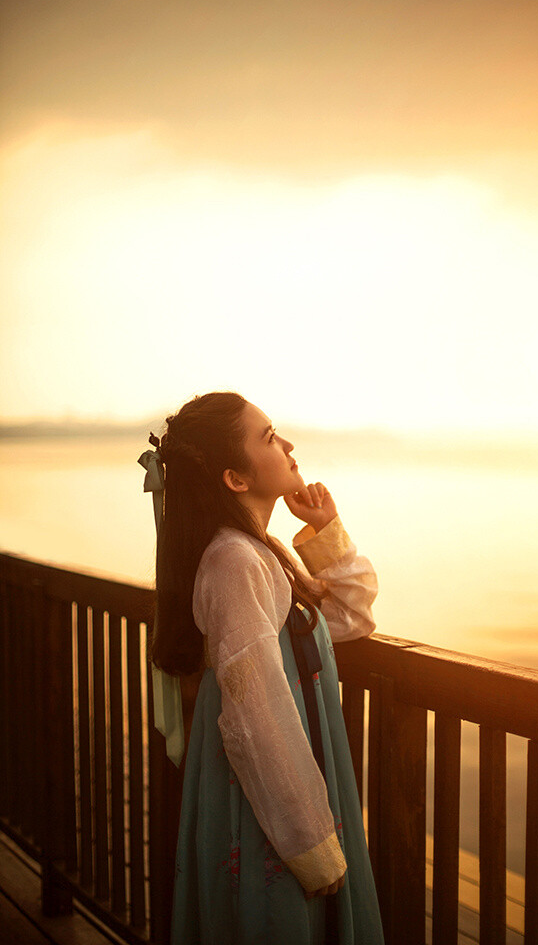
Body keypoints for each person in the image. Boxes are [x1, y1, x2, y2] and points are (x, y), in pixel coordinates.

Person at [147, 391, 385, 944]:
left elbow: (346, 623)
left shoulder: (260, 550)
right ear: (234, 478)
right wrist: (308, 843)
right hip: (264, 803)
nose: (289, 444)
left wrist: (327, 533)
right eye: (270, 436)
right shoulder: (234, 561)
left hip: (285, 786)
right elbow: (258, 717)